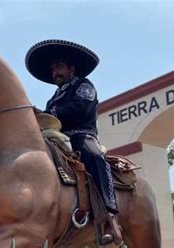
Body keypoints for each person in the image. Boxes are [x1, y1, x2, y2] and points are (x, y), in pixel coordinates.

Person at [25, 39, 122, 245]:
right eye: (53, 70)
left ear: (71, 68)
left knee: (94, 156)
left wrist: (48, 113)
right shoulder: (55, 96)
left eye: (59, 67)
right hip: (56, 137)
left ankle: (110, 215)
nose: (55, 73)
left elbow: (78, 109)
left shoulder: (84, 86)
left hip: (81, 135)